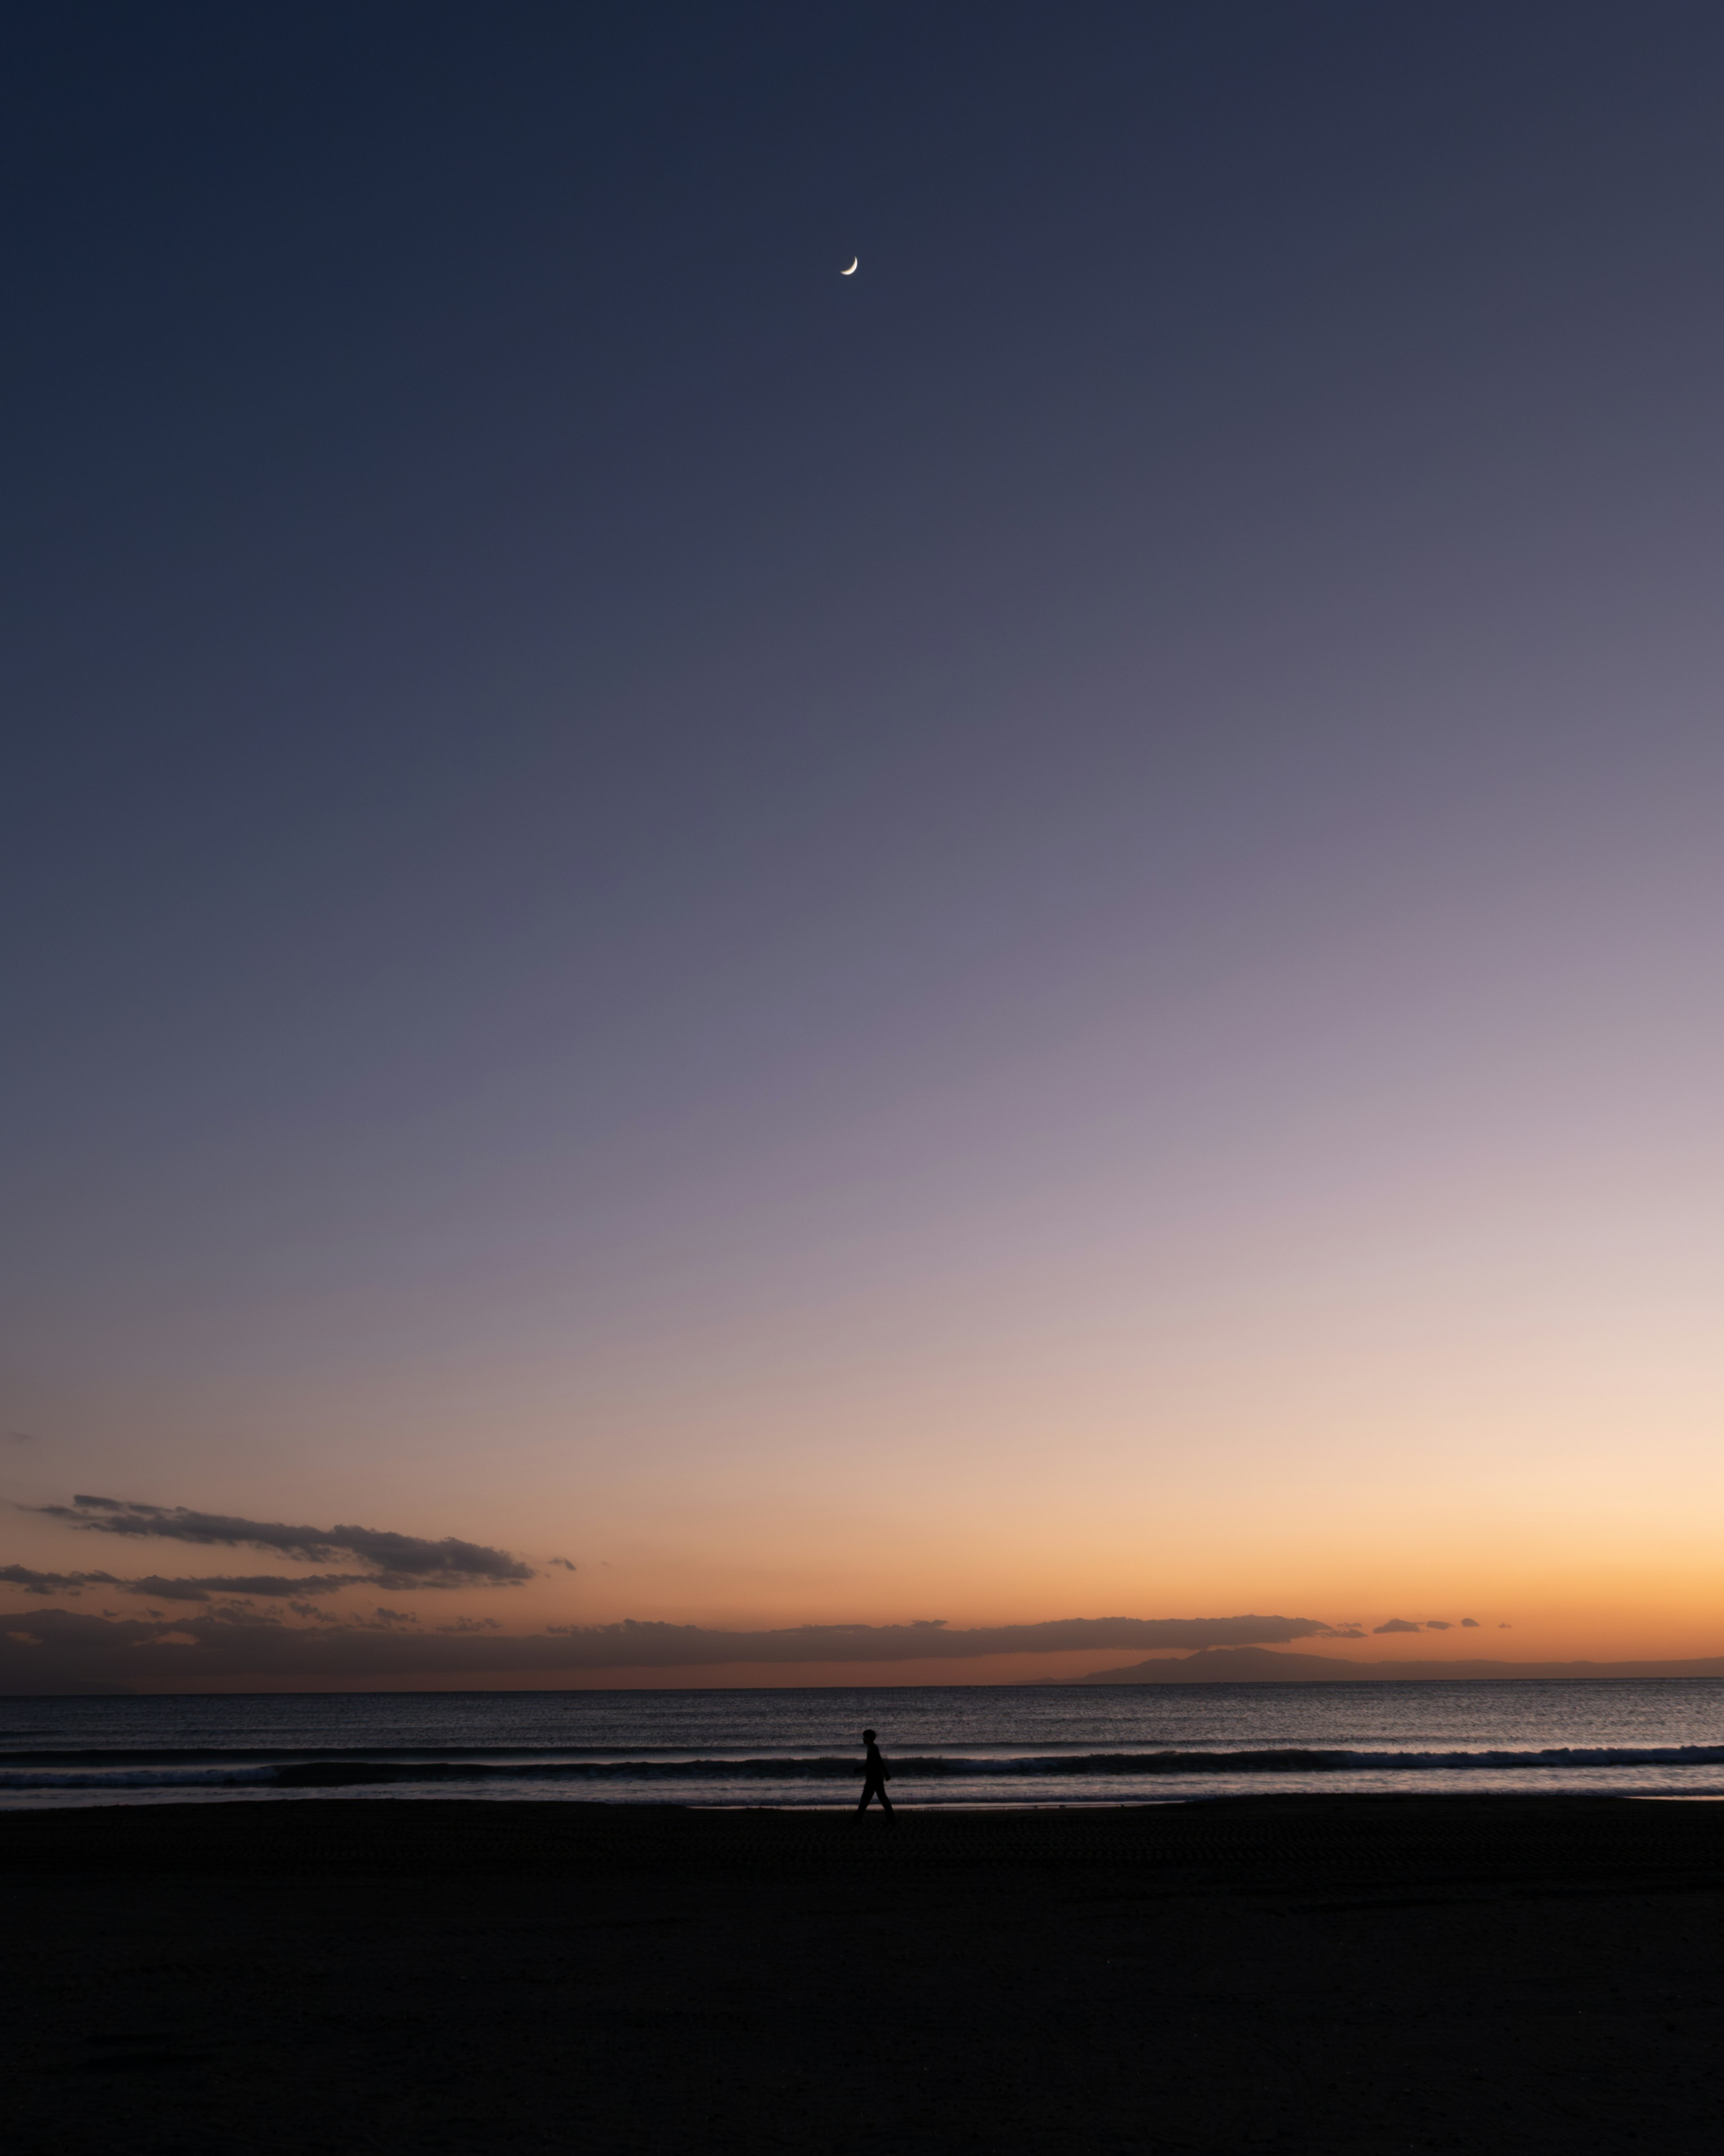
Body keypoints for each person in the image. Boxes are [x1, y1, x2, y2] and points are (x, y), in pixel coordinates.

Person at [857, 1726, 894, 1817]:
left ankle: (857, 1820)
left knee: (867, 1799)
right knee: (877, 1798)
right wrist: (886, 1773)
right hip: (874, 1777)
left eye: (865, 1737)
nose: (863, 1739)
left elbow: (878, 1762)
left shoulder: (873, 1748)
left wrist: (859, 1770)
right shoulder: (871, 1747)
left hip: (875, 1778)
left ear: (869, 1739)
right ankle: (891, 1819)